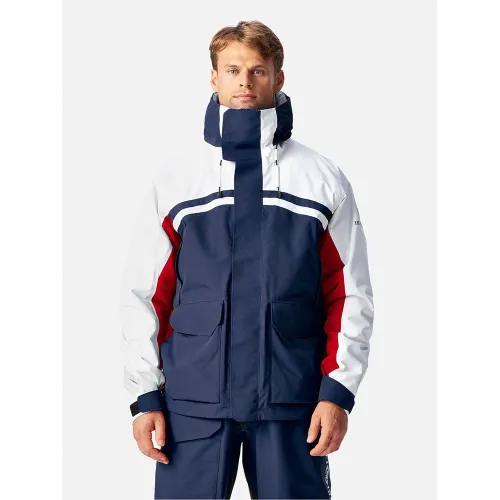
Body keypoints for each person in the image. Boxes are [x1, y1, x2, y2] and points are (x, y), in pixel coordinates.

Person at [119, 20, 374, 499]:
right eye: (233, 70)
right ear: (213, 78)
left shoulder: (321, 179)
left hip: (292, 400)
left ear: (278, 78)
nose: (245, 82)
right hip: (193, 402)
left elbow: (350, 294)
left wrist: (337, 393)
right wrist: (145, 395)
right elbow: (145, 295)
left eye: (258, 70)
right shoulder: (178, 181)